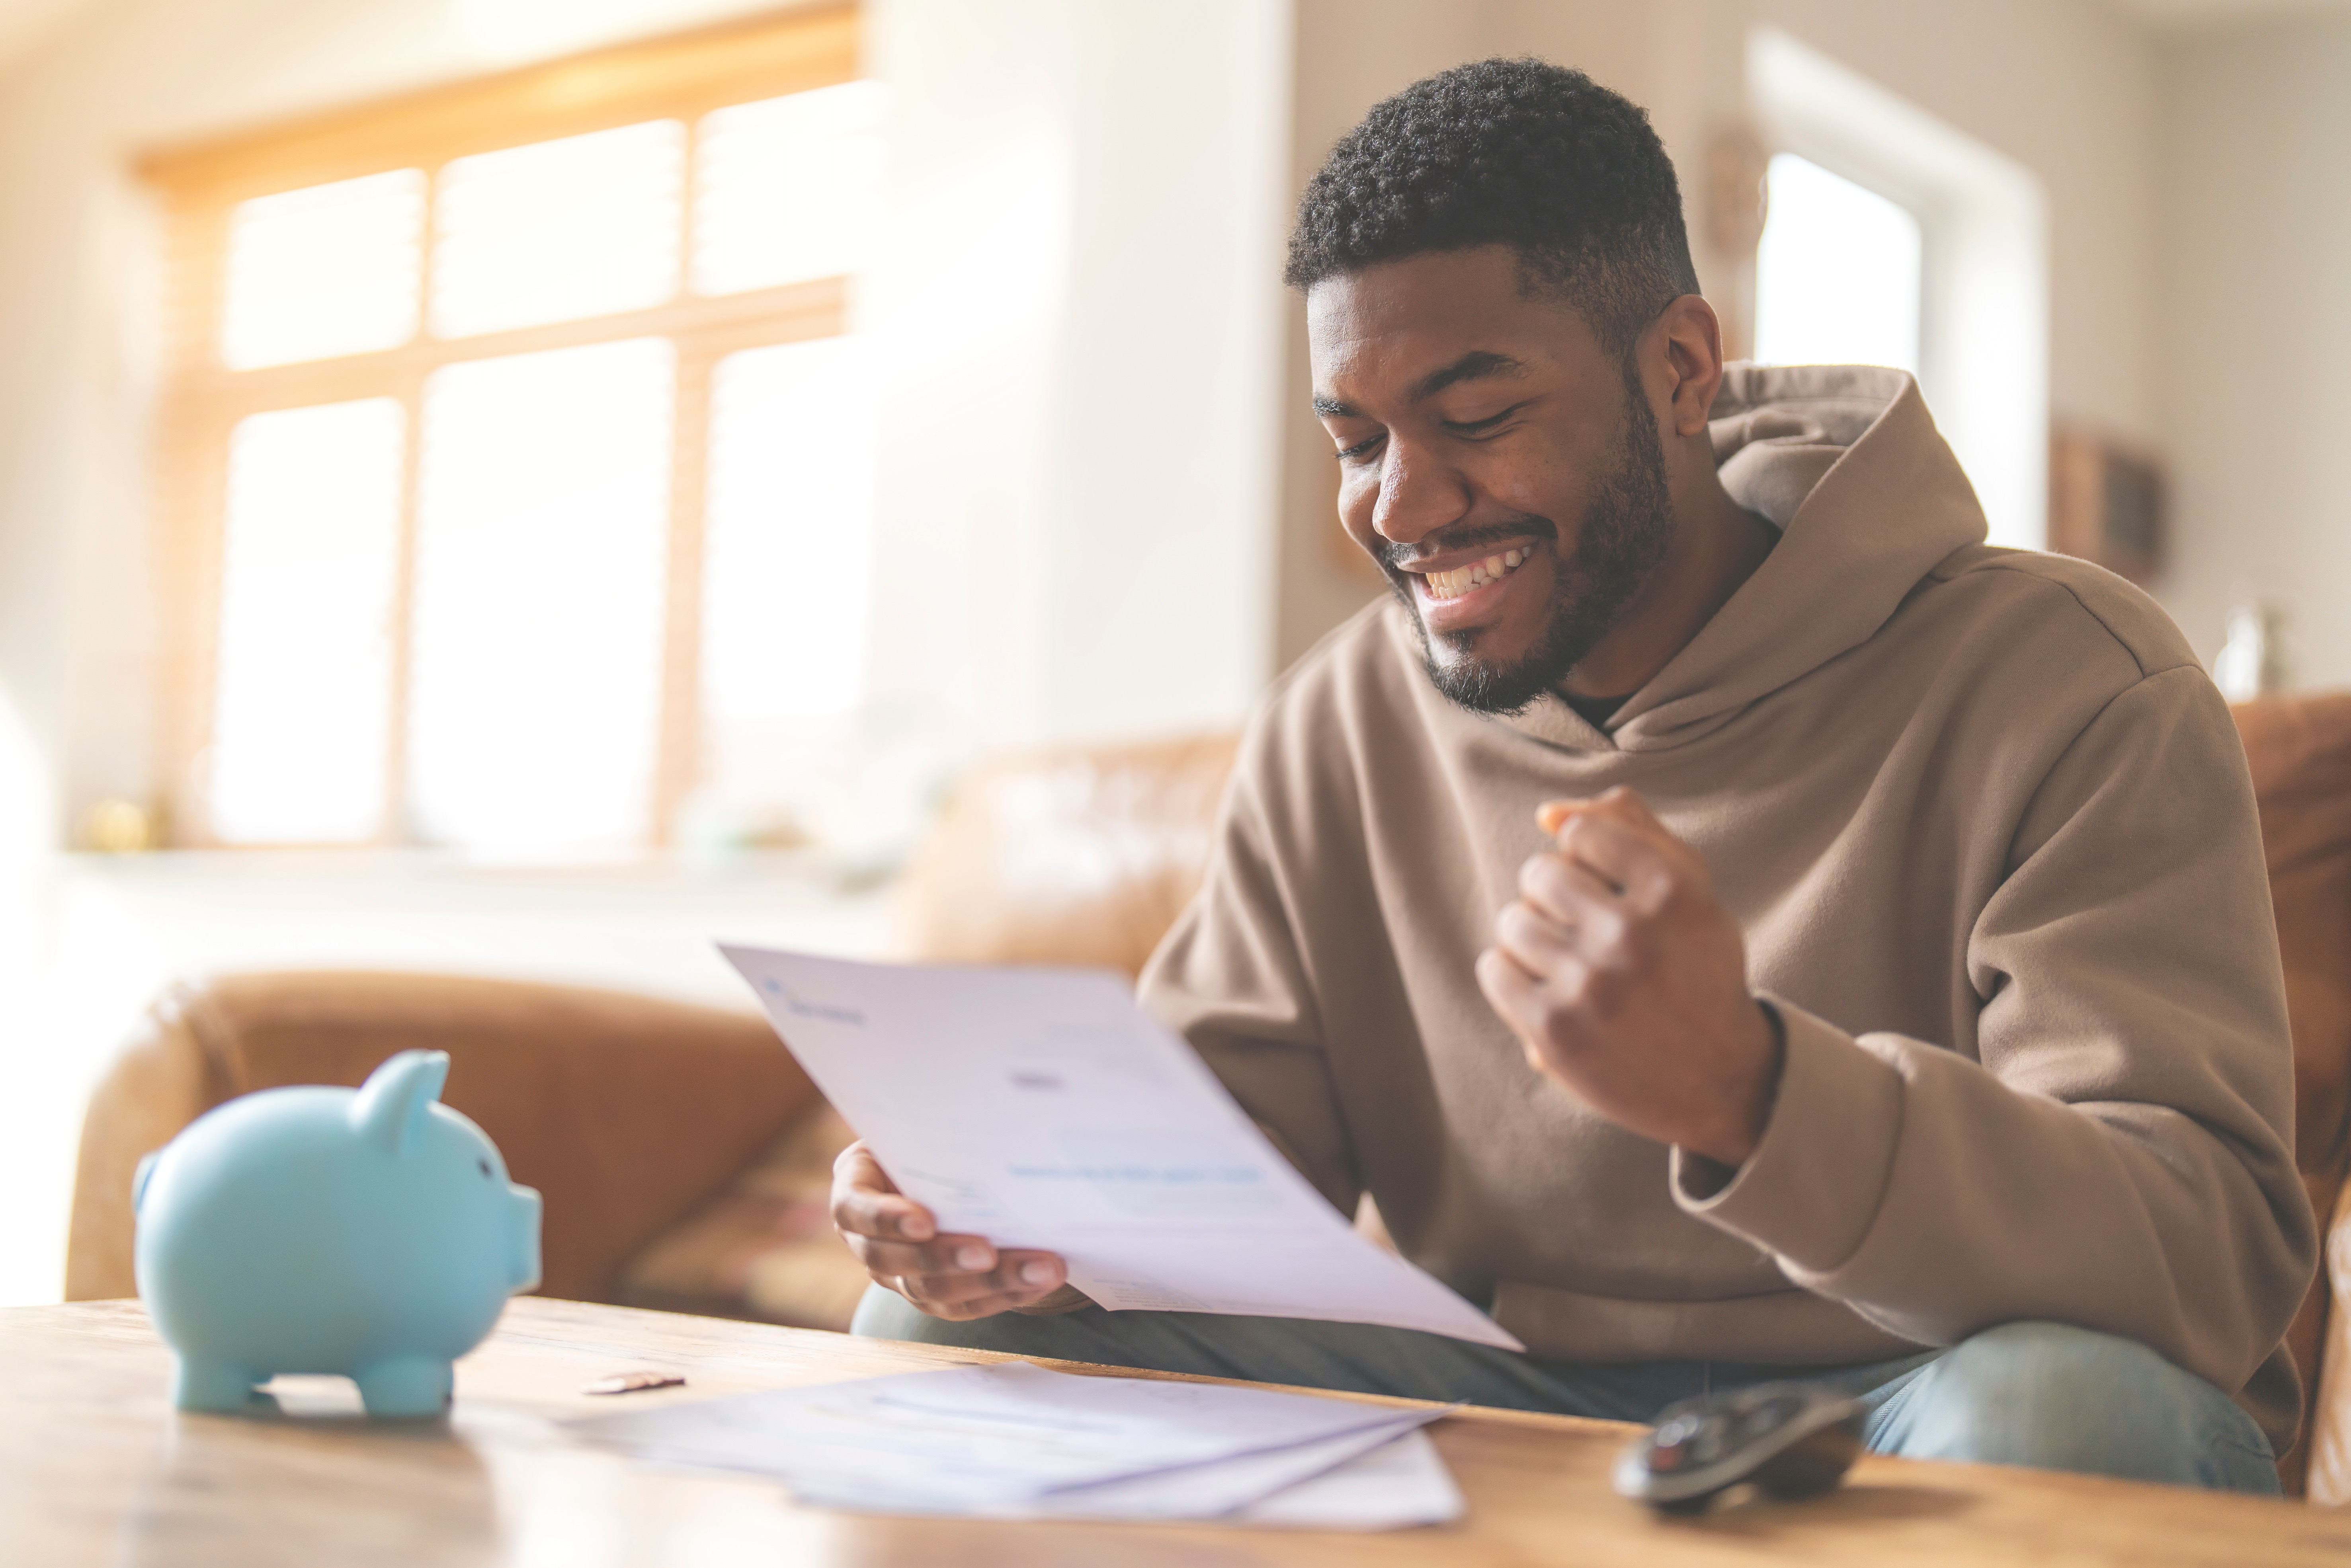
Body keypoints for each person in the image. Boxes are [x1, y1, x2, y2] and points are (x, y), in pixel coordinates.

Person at [834, 57, 2315, 1493]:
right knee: (944, 1333)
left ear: (1677, 366)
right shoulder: (1337, 721)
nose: (1400, 506)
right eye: (1356, 439)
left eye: (1473, 416)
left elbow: (2207, 1253)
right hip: (1502, 1388)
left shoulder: (2068, 677)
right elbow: (1205, 1175)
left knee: (2064, 1402)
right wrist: (997, 1214)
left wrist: (1757, 1094)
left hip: (1916, 1395)